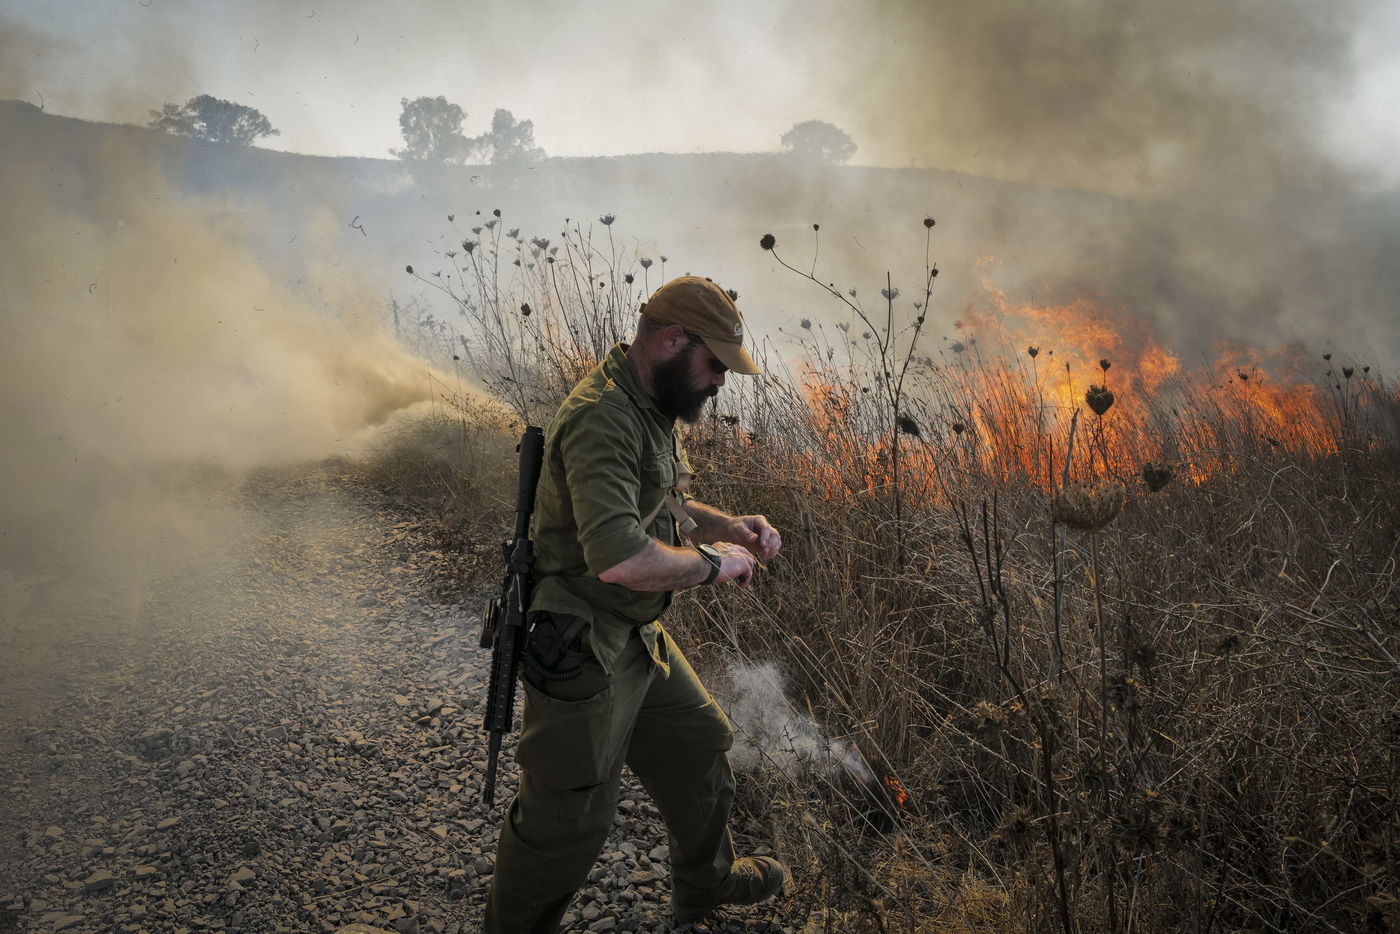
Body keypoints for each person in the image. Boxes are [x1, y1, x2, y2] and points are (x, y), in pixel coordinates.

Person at [483, 276, 789, 932]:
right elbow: (620, 557)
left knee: (700, 748)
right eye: (715, 365)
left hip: (634, 631)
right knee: (566, 822)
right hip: (580, 642)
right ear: (674, 340)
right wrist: (713, 567)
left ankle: (703, 888)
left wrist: (730, 527)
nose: (719, 383)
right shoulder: (602, 416)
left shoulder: (650, 400)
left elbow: (662, 506)